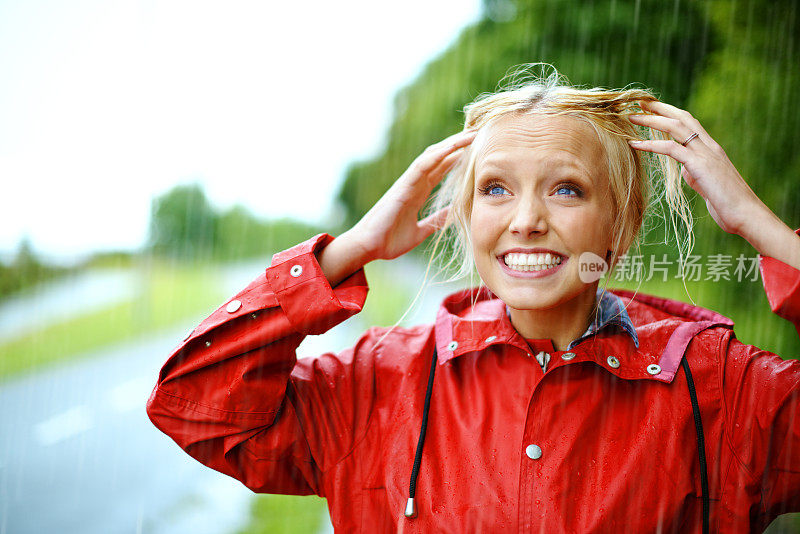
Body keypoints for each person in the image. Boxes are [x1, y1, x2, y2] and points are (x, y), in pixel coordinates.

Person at [146, 65, 800, 533]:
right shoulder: (384, 383)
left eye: (567, 189)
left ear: (621, 225)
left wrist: (763, 228)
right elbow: (196, 406)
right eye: (495, 190)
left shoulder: (717, 391)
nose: (526, 220)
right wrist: (345, 252)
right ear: (464, 218)